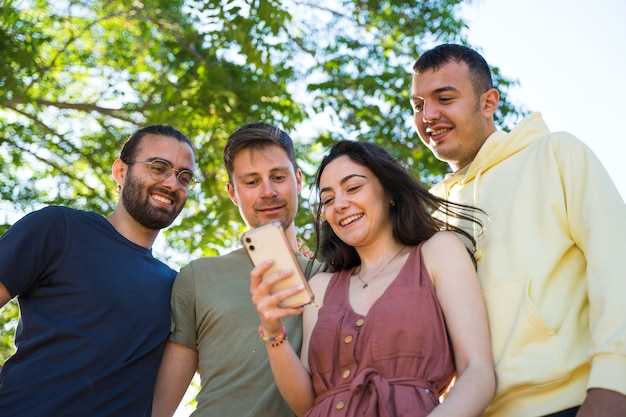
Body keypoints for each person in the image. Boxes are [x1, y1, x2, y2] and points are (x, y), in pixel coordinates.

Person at [410, 43, 626, 417]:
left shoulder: (556, 154)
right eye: (417, 105)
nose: (428, 114)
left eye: (444, 98)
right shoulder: (429, 212)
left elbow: (616, 265)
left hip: (576, 402)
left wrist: (614, 383)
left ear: (488, 102)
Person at [250, 140, 495, 417]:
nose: (339, 205)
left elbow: (478, 372)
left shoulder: (439, 252)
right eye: (328, 199)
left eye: (353, 188)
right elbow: (307, 402)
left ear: (389, 191)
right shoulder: (319, 288)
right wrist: (272, 332)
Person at [0, 125, 197, 416]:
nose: (172, 183)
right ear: (120, 172)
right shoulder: (59, 228)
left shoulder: (176, 287)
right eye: (159, 168)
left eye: (184, 177)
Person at [152, 122, 320, 417]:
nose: (268, 192)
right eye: (251, 182)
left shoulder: (336, 274)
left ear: (298, 179)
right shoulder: (198, 276)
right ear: (232, 192)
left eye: (278, 177)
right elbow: (161, 406)